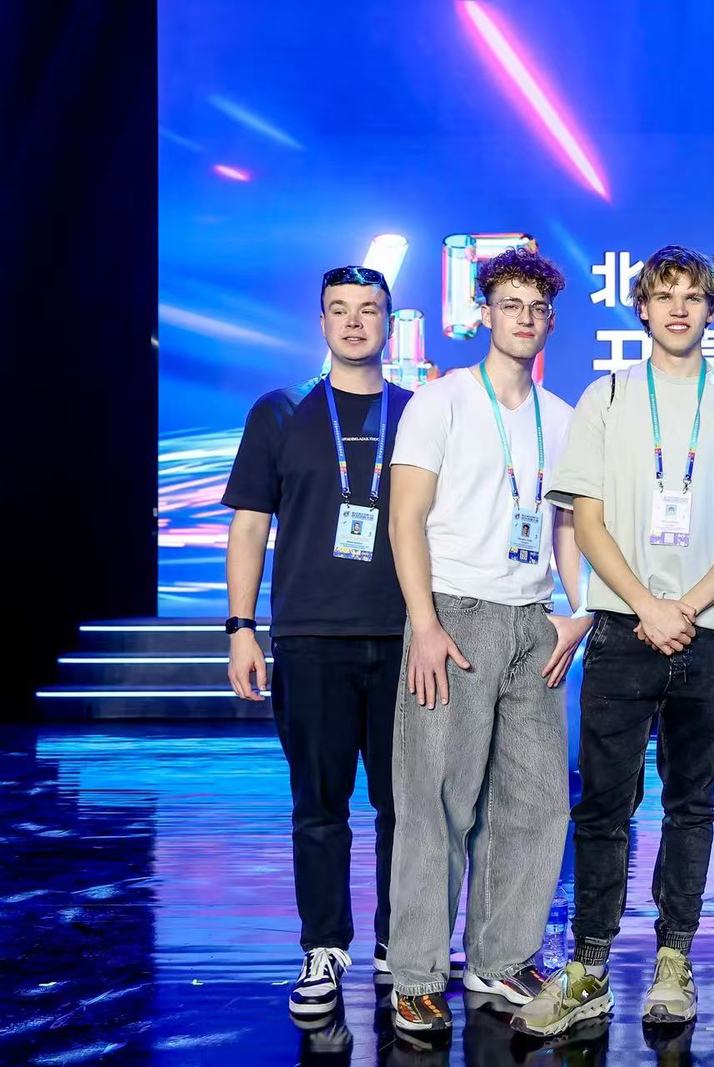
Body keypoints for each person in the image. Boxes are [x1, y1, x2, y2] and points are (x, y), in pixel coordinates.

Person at [518, 245, 714, 1038]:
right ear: (643, 309)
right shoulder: (609, 395)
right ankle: (588, 965)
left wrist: (684, 605)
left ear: (713, 308)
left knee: (692, 804)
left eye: (693, 295)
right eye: (664, 295)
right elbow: (585, 519)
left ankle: (673, 959)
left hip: (711, 630)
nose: (678, 308)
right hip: (624, 629)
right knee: (604, 804)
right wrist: (646, 606)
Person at [384, 246, 589, 1035]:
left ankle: (502, 956)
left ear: (550, 321)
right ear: (484, 313)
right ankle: (416, 972)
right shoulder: (440, 400)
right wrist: (425, 623)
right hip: (454, 614)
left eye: (537, 308)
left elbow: (564, 526)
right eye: (510, 304)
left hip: (533, 619)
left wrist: (578, 610)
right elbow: (405, 518)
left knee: (537, 800)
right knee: (435, 799)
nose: (525, 318)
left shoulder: (561, 417)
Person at [223, 265, 409, 1017]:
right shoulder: (280, 410)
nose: (355, 322)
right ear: (322, 322)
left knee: (407, 808)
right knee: (319, 806)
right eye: (340, 310)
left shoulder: (419, 413)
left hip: (406, 638)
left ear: (389, 322)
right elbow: (249, 526)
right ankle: (324, 947)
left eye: (368, 310)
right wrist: (241, 628)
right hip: (309, 637)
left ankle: (403, 942)